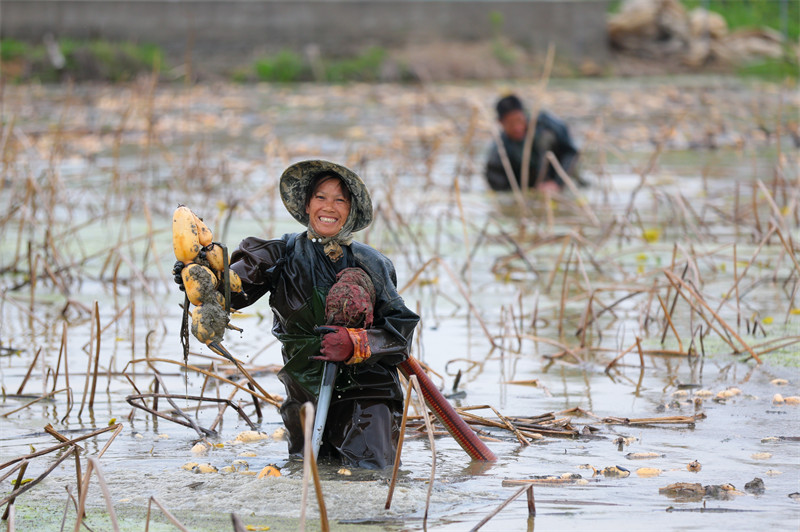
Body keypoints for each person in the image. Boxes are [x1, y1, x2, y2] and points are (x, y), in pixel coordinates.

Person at [225, 160, 420, 470]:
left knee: (367, 480)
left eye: (340, 200)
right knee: (307, 474)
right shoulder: (281, 253)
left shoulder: (371, 262)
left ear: (350, 211)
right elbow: (234, 290)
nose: (329, 207)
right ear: (307, 205)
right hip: (304, 394)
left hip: (366, 396)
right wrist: (205, 277)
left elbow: (400, 332)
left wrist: (355, 343)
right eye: (321, 197)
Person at [485, 94, 581, 193]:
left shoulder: (547, 124)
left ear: (524, 115)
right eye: (510, 123)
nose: (517, 127)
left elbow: (571, 153)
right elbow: (494, 177)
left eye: (519, 120)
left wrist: (557, 183)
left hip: (557, 181)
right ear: (500, 123)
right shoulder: (501, 148)